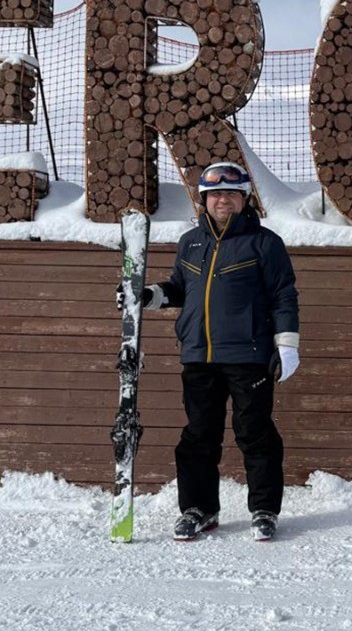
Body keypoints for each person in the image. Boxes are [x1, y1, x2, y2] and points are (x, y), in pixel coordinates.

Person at [128, 162, 300, 542]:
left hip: (249, 355)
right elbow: (179, 288)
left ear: (244, 199)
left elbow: (283, 295)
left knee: (254, 433)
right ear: (204, 200)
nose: (223, 200)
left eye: (231, 194)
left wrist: (287, 344)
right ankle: (199, 508)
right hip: (198, 356)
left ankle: (264, 510)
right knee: (198, 436)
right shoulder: (190, 242)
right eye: (215, 195)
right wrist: (150, 296)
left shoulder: (264, 243)